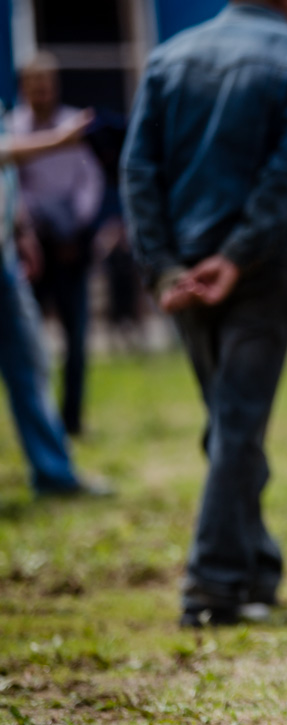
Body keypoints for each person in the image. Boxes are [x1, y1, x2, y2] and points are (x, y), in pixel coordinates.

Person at [120, 0, 287, 628]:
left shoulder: (168, 56)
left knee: (227, 425)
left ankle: (254, 567)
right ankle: (210, 587)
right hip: (258, 272)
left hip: (183, 274)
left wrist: (160, 266)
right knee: (236, 426)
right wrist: (237, 257)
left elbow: (138, 170)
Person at [1, 103, 107, 499]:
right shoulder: (31, 127)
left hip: (5, 257)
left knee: (30, 362)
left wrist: (18, 227)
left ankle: (53, 473)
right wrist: (60, 140)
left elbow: (7, 177)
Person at [10, 53, 105, 437]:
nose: (41, 91)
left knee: (76, 337)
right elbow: (14, 186)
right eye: (34, 84)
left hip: (73, 245)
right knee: (28, 340)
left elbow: (91, 180)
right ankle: (40, 421)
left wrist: (74, 227)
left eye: (47, 83)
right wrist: (38, 226)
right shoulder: (12, 128)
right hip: (33, 245)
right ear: (24, 87)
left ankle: (72, 421)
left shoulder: (75, 125)